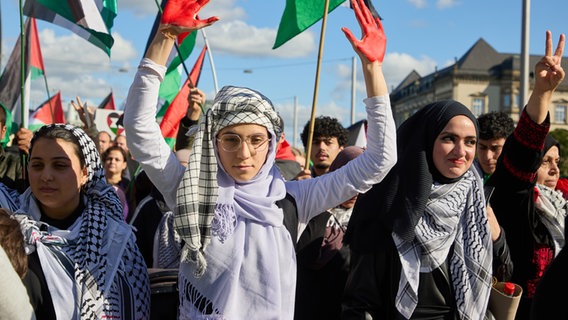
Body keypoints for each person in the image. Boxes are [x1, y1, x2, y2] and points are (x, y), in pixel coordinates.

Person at [122, 0, 396, 318]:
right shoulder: (190, 190)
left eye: (256, 140)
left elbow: (380, 159)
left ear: (271, 143)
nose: (245, 153)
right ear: (213, 142)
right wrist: (164, 38)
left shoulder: (293, 199)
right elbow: (139, 131)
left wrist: (373, 70)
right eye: (231, 139)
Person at [15, 124, 150, 319]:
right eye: (37, 165)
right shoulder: (13, 234)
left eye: (60, 165)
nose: (46, 176)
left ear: (84, 173)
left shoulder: (116, 240)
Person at [485, 31, 565, 319]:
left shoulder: (563, 206)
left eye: (558, 161)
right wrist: (543, 92)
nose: (555, 168)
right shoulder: (518, 200)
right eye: (545, 161)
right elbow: (522, 156)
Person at [294, 145, 364, 320]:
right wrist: (323, 205)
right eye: (348, 180)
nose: (354, 190)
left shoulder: (371, 220)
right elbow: (306, 256)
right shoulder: (314, 209)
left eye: (363, 181)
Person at [475, 111, 515, 182]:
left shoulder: (521, 179)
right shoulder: (462, 175)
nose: (488, 156)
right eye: (482, 147)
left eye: (495, 148)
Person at [102, 145, 131, 219]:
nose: (112, 161)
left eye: (117, 159)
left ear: (124, 164)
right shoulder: (96, 183)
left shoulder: (129, 187)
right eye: (109, 158)